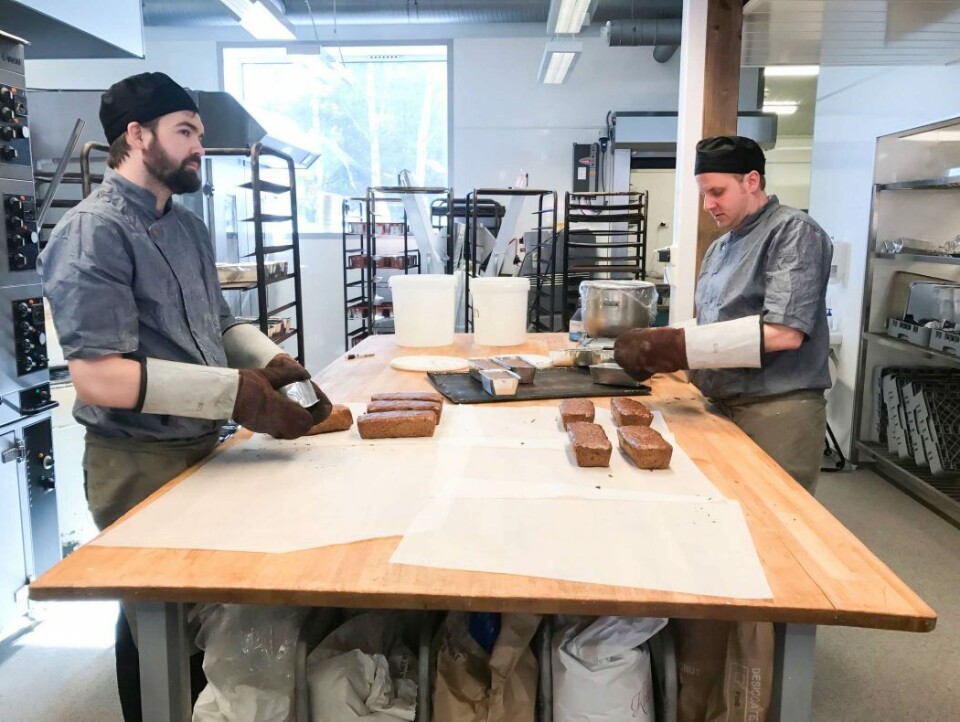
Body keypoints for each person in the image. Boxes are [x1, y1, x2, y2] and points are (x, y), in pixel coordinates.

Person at [37, 72, 331, 721]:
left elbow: (218, 323)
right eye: (186, 131)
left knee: (197, 606)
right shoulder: (94, 234)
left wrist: (272, 362)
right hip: (136, 460)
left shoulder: (188, 228)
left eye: (198, 131)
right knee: (153, 612)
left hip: (200, 444)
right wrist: (238, 394)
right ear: (137, 136)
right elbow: (98, 375)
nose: (200, 145)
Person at [614, 135, 832, 494]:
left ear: (751, 181)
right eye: (703, 194)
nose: (707, 204)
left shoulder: (793, 232)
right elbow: (716, 325)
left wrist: (673, 347)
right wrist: (655, 344)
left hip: (776, 410)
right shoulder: (721, 247)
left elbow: (785, 333)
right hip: (720, 403)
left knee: (775, 517)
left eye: (716, 192)